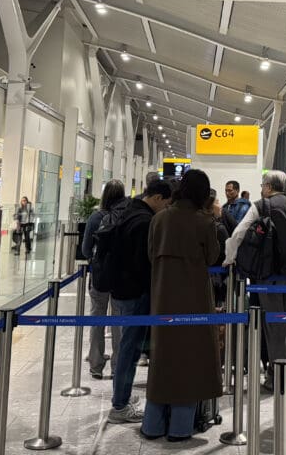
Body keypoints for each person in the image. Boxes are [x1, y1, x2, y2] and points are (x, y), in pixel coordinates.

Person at [142, 169, 222, 441]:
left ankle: (152, 424)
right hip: (195, 300)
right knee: (190, 361)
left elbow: (151, 254)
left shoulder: (159, 219)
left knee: (162, 359)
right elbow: (212, 257)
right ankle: (180, 427)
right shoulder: (204, 221)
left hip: (162, 297)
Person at [224, 169, 286, 390]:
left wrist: (229, 257)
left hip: (270, 275)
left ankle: (277, 378)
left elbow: (239, 233)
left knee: (274, 326)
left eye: (263, 185)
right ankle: (284, 371)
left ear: (268, 187)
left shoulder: (261, 205)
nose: (261, 189)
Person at [105, 180, 173, 423]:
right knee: (129, 349)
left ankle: (120, 396)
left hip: (121, 291)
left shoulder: (128, 211)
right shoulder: (145, 222)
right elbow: (143, 263)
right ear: (157, 198)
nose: (166, 208)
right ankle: (119, 406)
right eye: (165, 203)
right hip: (135, 293)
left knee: (126, 345)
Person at [82, 180, 126, 379]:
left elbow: (85, 249)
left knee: (97, 318)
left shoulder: (96, 217)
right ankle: (117, 366)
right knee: (119, 322)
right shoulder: (126, 216)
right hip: (120, 277)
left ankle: (96, 364)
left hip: (99, 276)